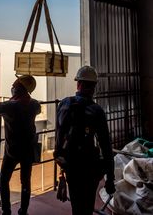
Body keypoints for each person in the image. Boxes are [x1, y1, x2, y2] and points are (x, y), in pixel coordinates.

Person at [0, 74, 41, 215]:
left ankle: (6, 210)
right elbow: (38, 108)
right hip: (28, 149)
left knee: (4, 179)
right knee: (25, 181)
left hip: (12, 151)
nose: (12, 87)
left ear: (18, 89)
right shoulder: (34, 104)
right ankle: (23, 211)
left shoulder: (10, 106)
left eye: (14, 85)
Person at [54, 65, 116, 215]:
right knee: (87, 206)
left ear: (78, 84)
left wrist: (62, 160)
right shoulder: (96, 111)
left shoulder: (63, 104)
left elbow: (59, 136)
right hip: (89, 168)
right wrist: (110, 178)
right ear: (94, 87)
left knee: (76, 204)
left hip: (70, 165)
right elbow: (105, 146)